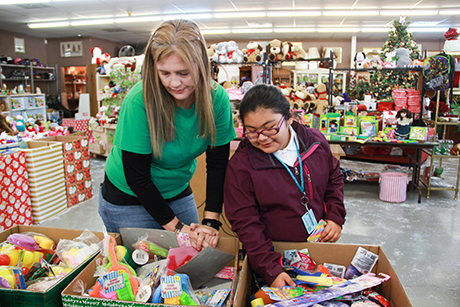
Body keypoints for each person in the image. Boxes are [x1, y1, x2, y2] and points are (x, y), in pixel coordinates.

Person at [98, 19, 236, 250]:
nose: (175, 83)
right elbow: (137, 176)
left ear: (201, 65)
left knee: (191, 260)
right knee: (143, 271)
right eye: (165, 73)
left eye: (184, 73)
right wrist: (178, 228)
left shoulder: (216, 99)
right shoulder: (139, 101)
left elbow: (218, 164)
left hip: (176, 189)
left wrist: (211, 222)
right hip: (128, 197)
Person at [224, 84, 346, 287]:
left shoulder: (314, 143)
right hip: (273, 256)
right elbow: (245, 222)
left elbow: (334, 177)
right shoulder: (242, 165)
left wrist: (335, 216)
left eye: (270, 127)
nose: (262, 138)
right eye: (252, 131)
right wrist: (271, 269)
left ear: (289, 118)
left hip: (318, 248)